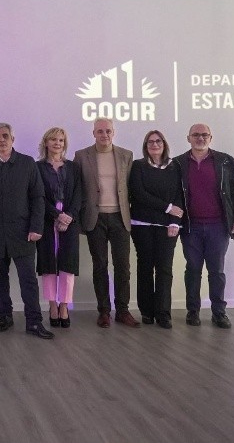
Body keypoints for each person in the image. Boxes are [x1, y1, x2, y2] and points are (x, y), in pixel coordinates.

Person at [0, 122, 53, 340]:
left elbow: (38, 198)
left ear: (12, 139)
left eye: (5, 136)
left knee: (28, 281)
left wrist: (36, 227)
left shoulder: (27, 163)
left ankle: (34, 322)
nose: (2, 140)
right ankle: (5, 316)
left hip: (23, 233)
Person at [174, 123, 234, 329]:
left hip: (218, 226)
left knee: (217, 271)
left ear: (210, 138)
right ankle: (193, 311)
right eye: (196, 135)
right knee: (193, 270)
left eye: (204, 135)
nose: (200, 138)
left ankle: (219, 313)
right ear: (188, 138)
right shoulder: (178, 163)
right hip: (191, 227)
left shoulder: (225, 161)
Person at [73, 118, 139, 328]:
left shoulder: (126, 155)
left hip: (120, 217)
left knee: (123, 267)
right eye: (100, 131)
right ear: (94, 133)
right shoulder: (81, 156)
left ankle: (123, 311)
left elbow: (131, 187)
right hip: (96, 218)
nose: (104, 135)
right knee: (100, 265)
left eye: (108, 131)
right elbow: (77, 188)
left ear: (113, 132)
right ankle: (103, 311)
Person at [129, 130, 184, 329]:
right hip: (142, 224)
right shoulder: (138, 166)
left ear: (164, 144)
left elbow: (179, 195)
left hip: (168, 226)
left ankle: (163, 313)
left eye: (158, 141)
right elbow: (139, 193)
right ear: (145, 146)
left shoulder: (175, 167)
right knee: (145, 267)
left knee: (164, 268)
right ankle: (146, 312)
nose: (154, 144)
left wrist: (174, 221)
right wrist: (167, 208)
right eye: (150, 142)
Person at [36, 127, 82, 329]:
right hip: (47, 220)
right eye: (53, 139)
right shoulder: (37, 168)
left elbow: (79, 194)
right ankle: (52, 306)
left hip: (70, 221)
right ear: (46, 142)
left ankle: (64, 306)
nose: (57, 143)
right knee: (48, 265)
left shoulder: (73, 167)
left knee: (67, 265)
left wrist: (68, 216)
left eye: (61, 140)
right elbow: (38, 196)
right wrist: (56, 215)